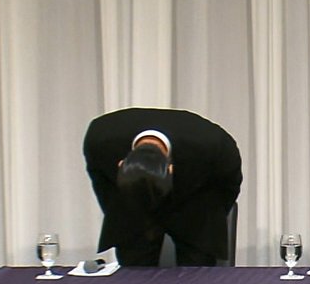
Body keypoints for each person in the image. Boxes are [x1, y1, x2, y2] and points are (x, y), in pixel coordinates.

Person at [83, 108, 242, 266]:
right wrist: (122, 212)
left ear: (171, 169)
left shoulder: (211, 143)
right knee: (133, 272)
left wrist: (213, 215)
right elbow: (102, 182)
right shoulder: (100, 139)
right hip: (133, 204)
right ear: (120, 164)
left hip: (193, 202)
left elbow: (229, 183)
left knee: (196, 274)